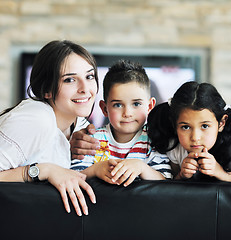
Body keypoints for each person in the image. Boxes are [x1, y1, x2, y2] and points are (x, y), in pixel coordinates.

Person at [0, 40, 98, 217]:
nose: (85, 89)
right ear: (46, 90)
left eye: (89, 76)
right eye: (70, 80)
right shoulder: (37, 118)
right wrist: (44, 170)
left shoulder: (77, 122)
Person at [71, 59, 172, 187]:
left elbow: (166, 182)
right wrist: (96, 169)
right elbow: (73, 176)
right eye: (118, 105)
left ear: (150, 106)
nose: (127, 113)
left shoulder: (154, 140)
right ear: (104, 108)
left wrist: (142, 168)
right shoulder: (92, 140)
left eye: (136, 104)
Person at [146, 81, 231, 182]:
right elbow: (171, 182)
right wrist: (182, 175)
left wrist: (219, 172)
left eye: (205, 126)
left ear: (221, 123)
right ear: (174, 125)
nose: (195, 137)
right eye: (185, 127)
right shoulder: (175, 147)